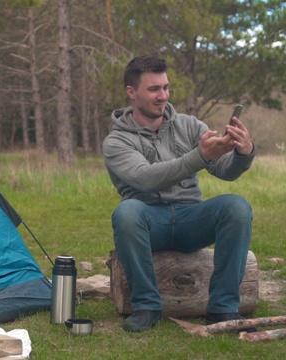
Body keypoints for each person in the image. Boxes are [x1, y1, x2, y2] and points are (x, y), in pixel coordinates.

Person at [102, 55, 257, 332]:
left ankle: (223, 309)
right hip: (148, 221)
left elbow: (225, 170)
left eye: (166, 87)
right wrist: (199, 156)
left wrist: (243, 153)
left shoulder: (188, 125)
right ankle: (146, 306)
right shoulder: (117, 141)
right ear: (131, 92)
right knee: (127, 211)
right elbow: (145, 179)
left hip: (190, 218)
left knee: (236, 207)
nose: (163, 96)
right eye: (154, 89)